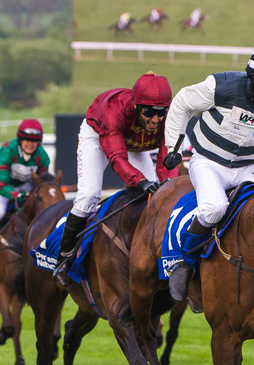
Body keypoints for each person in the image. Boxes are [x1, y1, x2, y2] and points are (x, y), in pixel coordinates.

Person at [163, 42, 254, 307]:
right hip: (209, 163)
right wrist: (173, 145)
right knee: (214, 208)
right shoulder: (222, 86)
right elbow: (182, 101)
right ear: (251, 79)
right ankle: (186, 265)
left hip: (250, 167)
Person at [53, 71, 179, 286]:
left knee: (159, 197)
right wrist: (139, 181)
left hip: (135, 143)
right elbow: (117, 158)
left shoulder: (168, 119)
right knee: (88, 196)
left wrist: (168, 186)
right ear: (137, 106)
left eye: (161, 112)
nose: (156, 119)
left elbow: (166, 159)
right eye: (149, 111)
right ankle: (64, 258)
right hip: (98, 133)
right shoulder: (115, 112)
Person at [0, 119, 50, 252]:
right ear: (20, 140)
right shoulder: (8, 149)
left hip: (25, 185)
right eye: (27, 140)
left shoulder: (42, 156)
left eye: (34, 141)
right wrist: (19, 195)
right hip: (3, 183)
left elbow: (42, 183)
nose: (30, 144)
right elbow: (2, 182)